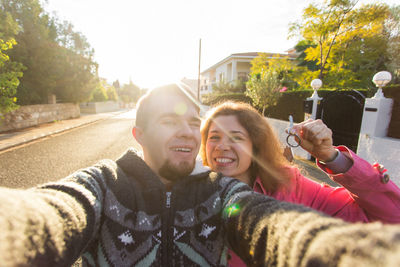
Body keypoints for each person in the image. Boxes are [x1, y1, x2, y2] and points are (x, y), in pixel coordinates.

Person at [1, 84, 400, 267]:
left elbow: (275, 225)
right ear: (138, 134)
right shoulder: (105, 183)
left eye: (194, 123)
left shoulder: (236, 192)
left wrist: (353, 252)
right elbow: (56, 208)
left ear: (256, 144)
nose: (215, 143)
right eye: (213, 135)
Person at [200, 101, 400, 266]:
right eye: (214, 137)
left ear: (256, 146)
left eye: (236, 137)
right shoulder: (186, 193)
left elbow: (390, 218)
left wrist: (332, 157)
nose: (222, 146)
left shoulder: (291, 187)